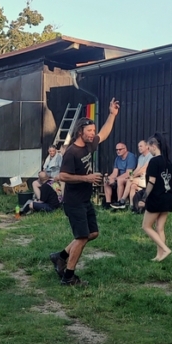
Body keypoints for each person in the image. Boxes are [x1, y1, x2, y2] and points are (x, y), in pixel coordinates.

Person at [50, 97, 120, 286]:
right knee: (81, 238)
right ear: (80, 131)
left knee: (93, 233)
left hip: (84, 200)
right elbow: (63, 176)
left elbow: (104, 133)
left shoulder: (90, 145)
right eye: (89, 131)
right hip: (73, 202)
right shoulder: (71, 152)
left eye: (93, 130)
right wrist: (86, 178)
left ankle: (60, 256)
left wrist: (112, 115)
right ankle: (69, 277)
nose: (93, 133)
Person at [142, 133, 172, 262]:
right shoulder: (168, 162)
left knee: (146, 226)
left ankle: (165, 249)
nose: (149, 150)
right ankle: (159, 256)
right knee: (159, 228)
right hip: (167, 198)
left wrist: (144, 198)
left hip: (156, 199)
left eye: (149, 147)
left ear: (154, 146)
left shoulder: (154, 161)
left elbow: (151, 181)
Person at [117, 140, 151, 210]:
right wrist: (131, 175)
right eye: (138, 146)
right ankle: (132, 206)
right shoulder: (140, 157)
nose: (139, 148)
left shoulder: (150, 156)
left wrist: (131, 177)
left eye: (141, 146)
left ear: (147, 146)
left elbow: (143, 169)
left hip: (148, 180)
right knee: (133, 186)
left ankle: (123, 200)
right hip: (141, 179)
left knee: (130, 180)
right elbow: (137, 169)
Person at [104, 142, 137, 206]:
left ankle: (119, 202)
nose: (118, 151)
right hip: (120, 177)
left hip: (130, 178)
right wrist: (109, 178)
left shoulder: (131, 157)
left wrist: (115, 179)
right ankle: (108, 203)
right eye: (117, 150)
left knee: (120, 180)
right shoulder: (117, 158)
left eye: (120, 149)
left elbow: (128, 173)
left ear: (125, 149)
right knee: (106, 180)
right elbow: (115, 173)